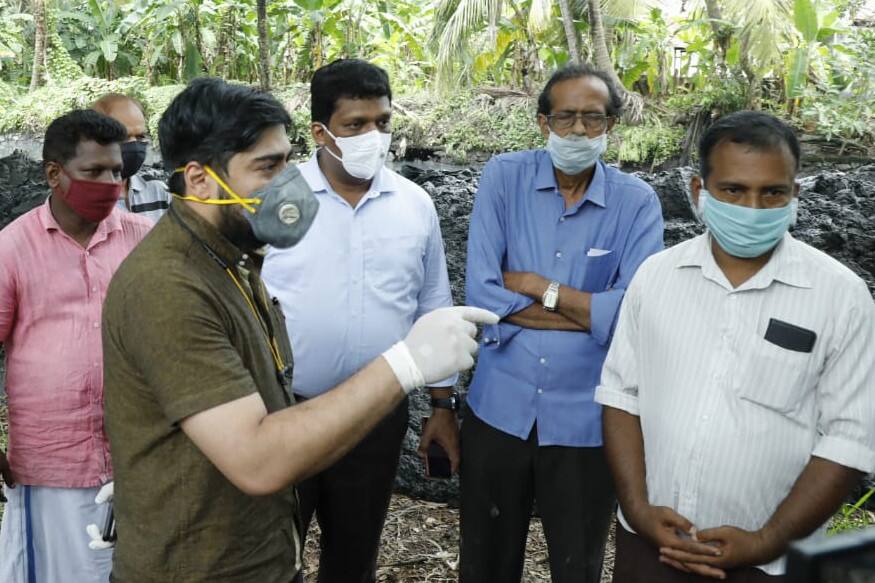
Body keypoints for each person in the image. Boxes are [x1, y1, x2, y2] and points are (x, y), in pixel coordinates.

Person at [101, 77, 497, 583]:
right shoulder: (169, 286)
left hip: (250, 553)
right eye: (268, 167)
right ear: (199, 179)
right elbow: (257, 460)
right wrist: (406, 363)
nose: (290, 183)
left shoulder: (231, 261)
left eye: (288, 162)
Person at [596, 111, 875, 582]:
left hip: (769, 564)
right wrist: (639, 510)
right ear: (698, 191)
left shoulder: (841, 297)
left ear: (795, 195)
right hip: (649, 548)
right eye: (733, 190)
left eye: (772, 193)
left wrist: (767, 539)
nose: (752, 208)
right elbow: (622, 397)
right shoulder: (656, 277)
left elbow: (850, 438)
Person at [461, 63, 664, 583]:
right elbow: (483, 294)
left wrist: (534, 284)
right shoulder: (504, 178)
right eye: (565, 117)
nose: (578, 130)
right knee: (484, 563)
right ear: (542, 122)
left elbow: (632, 316)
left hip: (586, 421)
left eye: (592, 118)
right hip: (498, 408)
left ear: (611, 126)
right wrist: (590, 312)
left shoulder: (636, 203)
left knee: (577, 564)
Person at [262, 58, 459, 583]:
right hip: (285, 411)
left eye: (383, 122)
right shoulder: (276, 199)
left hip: (375, 417)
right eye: (355, 125)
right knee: (270, 555)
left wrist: (442, 406)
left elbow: (433, 304)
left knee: (354, 556)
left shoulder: (414, 205)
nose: (374, 136)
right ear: (319, 132)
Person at [0, 109, 151, 583]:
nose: (110, 184)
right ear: (54, 174)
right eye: (94, 171)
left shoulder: (145, 242)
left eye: (116, 171)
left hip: (138, 458)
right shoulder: (13, 248)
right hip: (52, 464)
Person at [93, 93, 172, 223]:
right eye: (123, 136)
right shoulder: (82, 200)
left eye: (140, 136)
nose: (134, 145)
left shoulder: (157, 191)